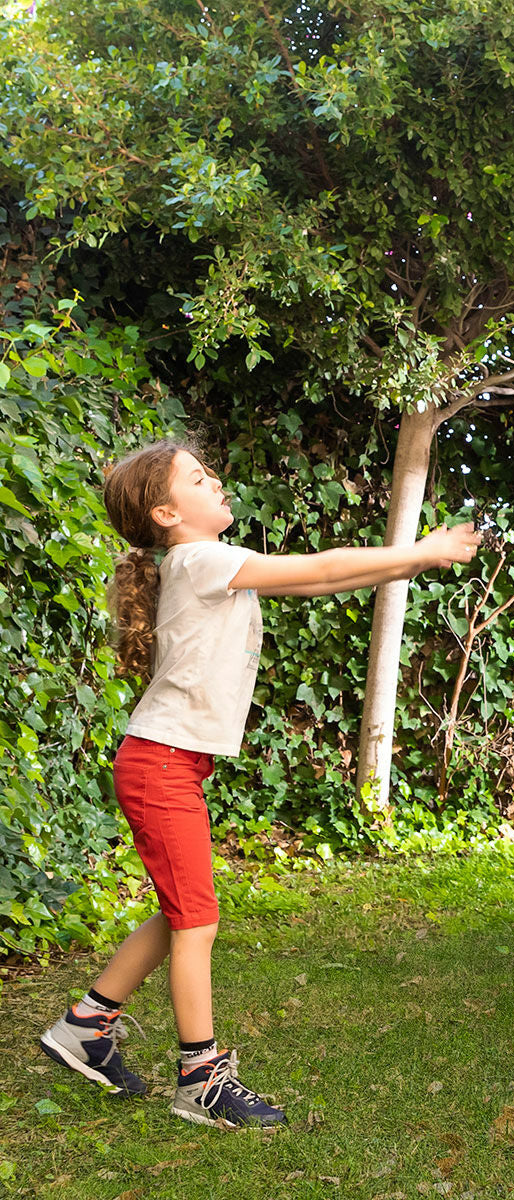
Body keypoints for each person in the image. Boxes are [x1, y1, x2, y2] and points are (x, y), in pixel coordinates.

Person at [39, 439, 480, 1128]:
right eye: (197, 478)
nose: (215, 480)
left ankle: (85, 1027)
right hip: (160, 765)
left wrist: (413, 560)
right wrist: (420, 551)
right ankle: (200, 1081)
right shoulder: (201, 560)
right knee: (196, 922)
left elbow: (321, 581)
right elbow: (321, 565)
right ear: (165, 513)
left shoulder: (207, 564)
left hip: (168, 764)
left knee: (184, 911)